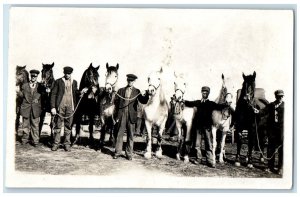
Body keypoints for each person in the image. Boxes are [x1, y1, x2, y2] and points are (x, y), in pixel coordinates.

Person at [113, 74, 148, 160]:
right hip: (122, 114)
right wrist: (116, 116)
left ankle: (129, 154)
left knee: (130, 135)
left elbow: (143, 101)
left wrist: (146, 94)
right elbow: (116, 103)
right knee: (119, 134)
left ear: (134, 81)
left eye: (131, 81)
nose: (130, 82)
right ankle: (117, 152)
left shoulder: (137, 91)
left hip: (131, 115)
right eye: (129, 80)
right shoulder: (121, 90)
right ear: (127, 81)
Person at [50, 66, 84, 151]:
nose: (67, 75)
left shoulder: (74, 82)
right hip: (60, 107)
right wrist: (53, 107)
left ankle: (67, 144)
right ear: (64, 73)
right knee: (58, 126)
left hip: (70, 107)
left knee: (68, 126)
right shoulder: (58, 81)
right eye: (66, 73)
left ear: (71, 73)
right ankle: (56, 144)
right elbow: (53, 94)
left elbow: (75, 92)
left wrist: (81, 92)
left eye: (69, 73)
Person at [184, 86, 218, 168]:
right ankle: (198, 159)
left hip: (207, 127)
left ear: (208, 94)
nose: (204, 93)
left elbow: (219, 106)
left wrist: (227, 104)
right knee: (197, 144)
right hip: (198, 127)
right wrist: (182, 100)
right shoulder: (198, 102)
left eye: (206, 92)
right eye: (203, 92)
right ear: (201, 93)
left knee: (209, 144)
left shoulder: (211, 104)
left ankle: (209, 161)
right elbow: (189, 103)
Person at [17, 69, 42, 147]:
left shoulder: (40, 86)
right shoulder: (24, 86)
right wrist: (18, 92)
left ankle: (35, 141)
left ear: (37, 77)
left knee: (35, 125)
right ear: (30, 76)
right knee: (25, 125)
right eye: (32, 76)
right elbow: (22, 96)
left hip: (35, 109)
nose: (33, 78)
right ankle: (25, 139)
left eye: (35, 76)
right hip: (26, 108)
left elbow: (43, 95)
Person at [263, 90, 284, 175]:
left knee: (281, 149)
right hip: (272, 130)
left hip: (282, 130)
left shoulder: (286, 106)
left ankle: (280, 167)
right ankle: (270, 166)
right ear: (275, 96)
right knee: (270, 148)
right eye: (279, 96)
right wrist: (257, 112)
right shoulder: (271, 105)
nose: (280, 98)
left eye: (282, 96)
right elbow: (263, 111)